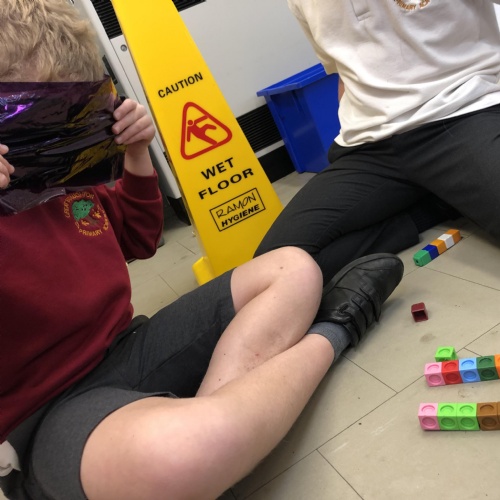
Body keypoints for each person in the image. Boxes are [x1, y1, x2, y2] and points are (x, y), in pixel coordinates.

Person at [0, 1, 404, 499]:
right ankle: (336, 330)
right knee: (184, 451)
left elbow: (138, 240)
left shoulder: (66, 178)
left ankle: (215, 428)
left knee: (293, 268)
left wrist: (136, 153)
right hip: (43, 415)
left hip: (127, 349)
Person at [255, 0, 500, 284]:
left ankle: (447, 191)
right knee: (273, 268)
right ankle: (433, 206)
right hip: (370, 147)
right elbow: (344, 71)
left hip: (462, 113)